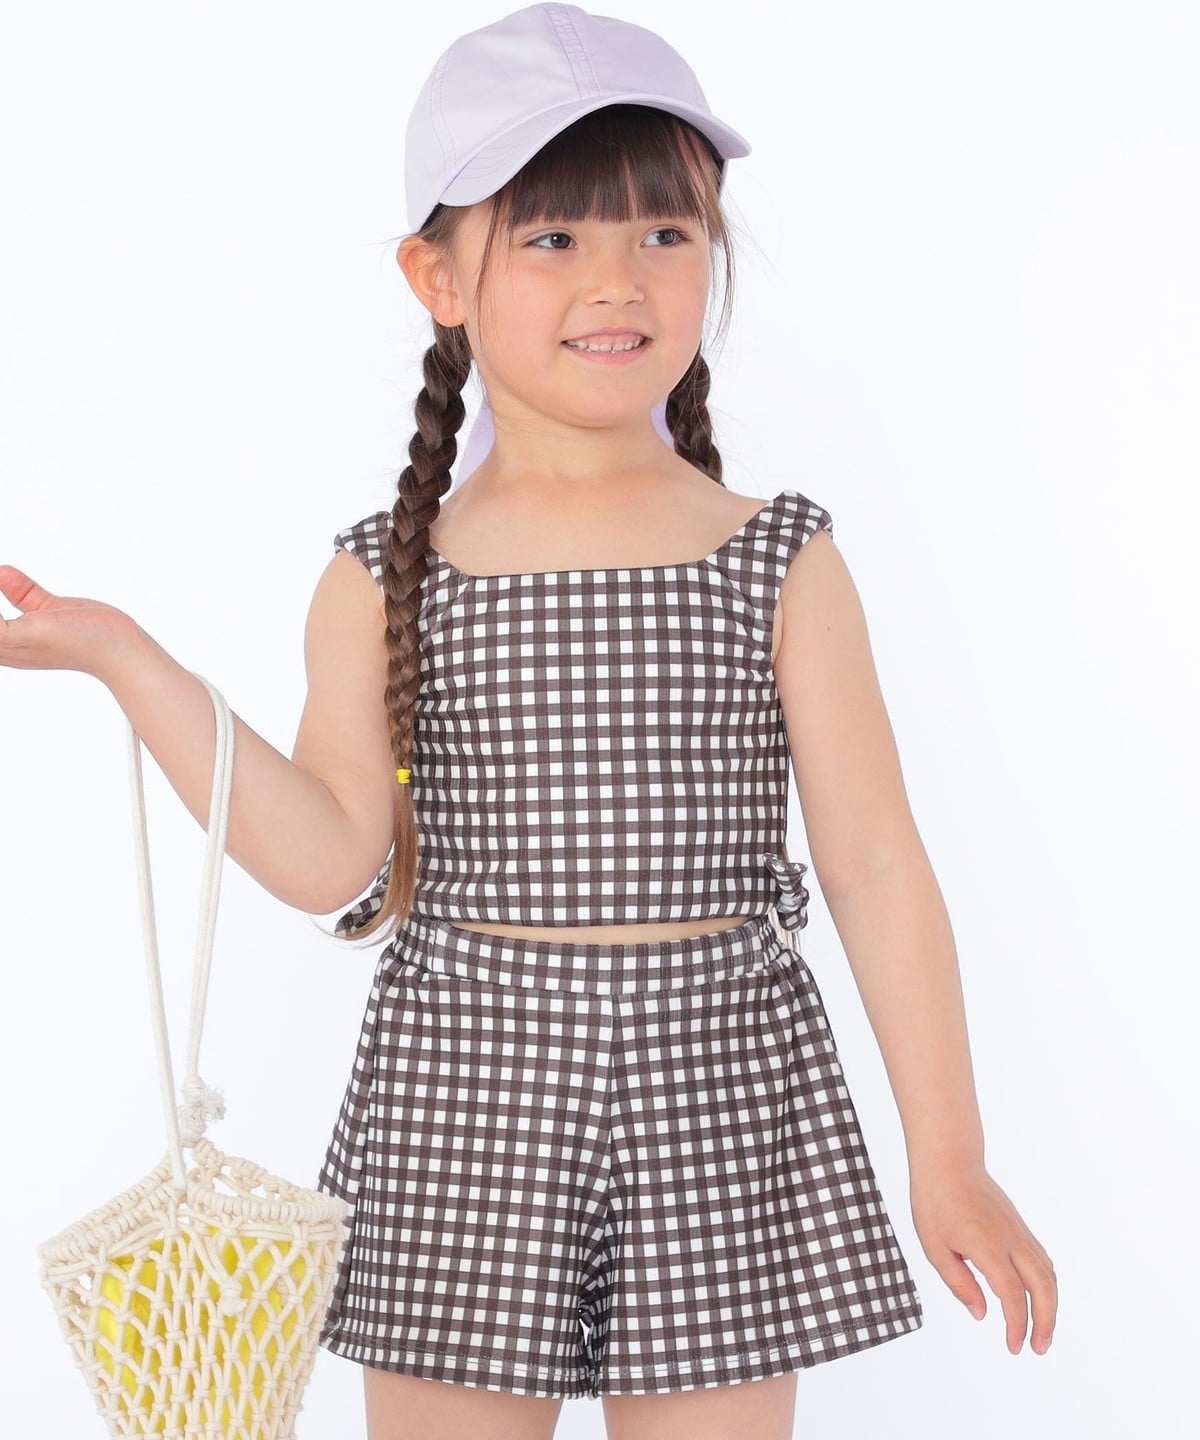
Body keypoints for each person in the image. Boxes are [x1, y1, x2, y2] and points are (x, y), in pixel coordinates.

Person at [0, 4, 1057, 1438]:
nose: (618, 278)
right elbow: (326, 857)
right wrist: (126, 661)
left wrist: (952, 1154)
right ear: (436, 275)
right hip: (464, 1093)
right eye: (554, 236)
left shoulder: (778, 559)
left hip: (722, 1088)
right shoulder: (384, 577)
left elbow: (875, 867)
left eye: (664, 230)